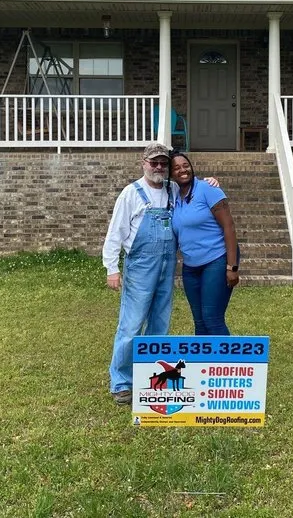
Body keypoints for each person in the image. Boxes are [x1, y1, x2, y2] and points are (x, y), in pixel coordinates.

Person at [103, 142, 177, 405]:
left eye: (163, 163)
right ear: (143, 163)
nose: (158, 167)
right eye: (153, 162)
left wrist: (211, 183)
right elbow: (115, 233)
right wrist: (112, 268)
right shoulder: (131, 193)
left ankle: (150, 377)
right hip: (140, 268)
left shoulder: (173, 190)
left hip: (168, 267)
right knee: (131, 324)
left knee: (160, 323)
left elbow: (196, 196)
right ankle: (122, 382)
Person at [169, 150, 240, 336]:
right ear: (170, 174)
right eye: (176, 168)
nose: (182, 170)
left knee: (212, 318)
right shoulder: (175, 196)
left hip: (216, 260)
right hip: (191, 267)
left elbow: (229, 227)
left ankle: (226, 364)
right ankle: (202, 366)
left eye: (185, 165)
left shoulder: (208, 188)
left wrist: (232, 267)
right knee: (199, 322)